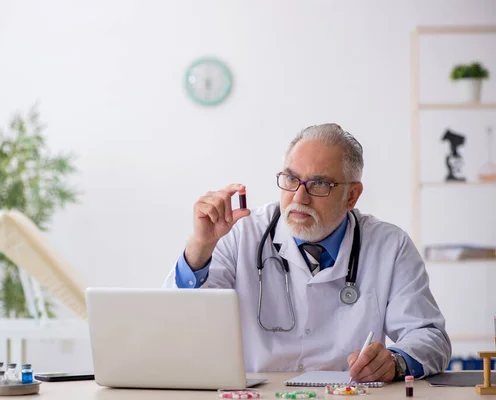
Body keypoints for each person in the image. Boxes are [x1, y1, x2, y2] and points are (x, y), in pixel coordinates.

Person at [163, 123, 451, 383]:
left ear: (352, 195)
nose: (299, 198)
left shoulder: (390, 246)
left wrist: (396, 362)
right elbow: (179, 324)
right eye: (290, 180)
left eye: (319, 184)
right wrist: (201, 245)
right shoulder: (240, 233)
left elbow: (430, 336)